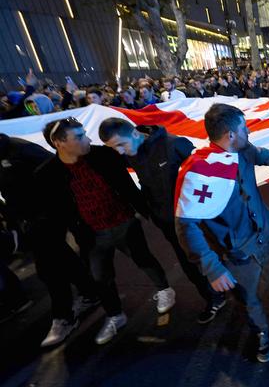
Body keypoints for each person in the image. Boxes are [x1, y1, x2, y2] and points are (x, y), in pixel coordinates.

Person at [175, 103, 269, 363]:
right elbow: (185, 225)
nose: (248, 132)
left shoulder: (243, 150)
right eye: (244, 128)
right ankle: (262, 334)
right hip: (237, 253)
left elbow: (264, 155)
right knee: (249, 300)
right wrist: (212, 268)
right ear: (230, 135)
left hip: (266, 238)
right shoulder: (198, 172)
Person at [37, 117, 175, 345]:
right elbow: (56, 211)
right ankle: (115, 316)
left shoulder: (104, 155)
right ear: (59, 143)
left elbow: (128, 185)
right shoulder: (48, 174)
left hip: (124, 223)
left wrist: (145, 211)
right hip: (91, 235)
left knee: (143, 258)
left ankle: (165, 290)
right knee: (101, 278)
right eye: (79, 137)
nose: (88, 139)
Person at [99, 119, 228, 324]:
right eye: (114, 148)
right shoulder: (130, 151)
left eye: (120, 145)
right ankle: (214, 298)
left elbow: (207, 173)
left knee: (216, 253)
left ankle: (240, 293)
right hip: (167, 221)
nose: (120, 153)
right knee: (189, 263)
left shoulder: (174, 144)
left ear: (134, 134)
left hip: (196, 218)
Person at [0, 134, 100, 343]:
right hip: (27, 219)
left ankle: (63, 317)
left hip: (48, 215)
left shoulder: (23, 150)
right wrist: (14, 222)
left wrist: (57, 212)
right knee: (62, 257)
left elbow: (60, 174)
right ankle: (90, 292)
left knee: (48, 268)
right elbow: (7, 191)